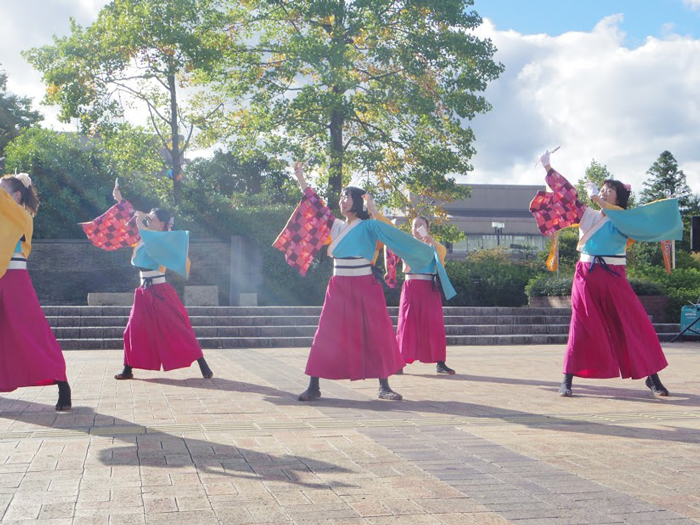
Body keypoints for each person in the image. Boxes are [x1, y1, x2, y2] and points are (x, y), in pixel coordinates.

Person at [274, 162, 454, 401]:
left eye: (347, 197)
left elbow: (396, 237)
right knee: (325, 334)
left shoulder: (370, 226)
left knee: (377, 333)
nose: (343, 200)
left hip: (364, 284)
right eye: (341, 197)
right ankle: (314, 385)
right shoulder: (336, 226)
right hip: (338, 286)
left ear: (357, 202)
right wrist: (301, 178)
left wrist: (375, 211)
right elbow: (316, 206)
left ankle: (384, 386)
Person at [530, 150, 682, 397]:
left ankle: (652, 378)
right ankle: (567, 379)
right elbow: (567, 196)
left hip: (614, 276)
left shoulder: (626, 220)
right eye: (601, 190)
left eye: (608, 190)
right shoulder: (588, 215)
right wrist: (548, 168)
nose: (602, 193)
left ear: (619, 197)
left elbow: (645, 220)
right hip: (586, 276)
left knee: (635, 324)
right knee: (580, 326)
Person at [81, 180, 213, 381]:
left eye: (152, 218)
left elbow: (148, 233)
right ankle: (128, 368)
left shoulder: (162, 239)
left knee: (179, 329)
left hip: (161, 291)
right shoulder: (145, 235)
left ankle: (203, 365)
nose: (148, 220)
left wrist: (143, 220)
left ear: (161, 223)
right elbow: (130, 214)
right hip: (144, 291)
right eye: (149, 217)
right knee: (132, 329)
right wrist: (119, 198)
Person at [0, 173, 72, 410]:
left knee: (34, 333)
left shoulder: (21, 216)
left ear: (16, 195)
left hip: (15, 282)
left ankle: (62, 383)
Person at [393, 217, 455, 375]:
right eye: (415, 225)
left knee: (435, 324)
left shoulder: (433, 246)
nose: (418, 228)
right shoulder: (406, 245)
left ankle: (440, 361)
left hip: (429, 287)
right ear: (411, 229)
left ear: (427, 228)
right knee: (406, 323)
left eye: (421, 225)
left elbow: (442, 253)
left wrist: (431, 240)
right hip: (411, 286)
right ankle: (399, 361)